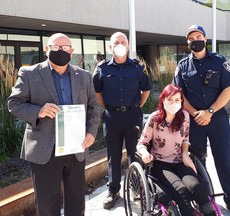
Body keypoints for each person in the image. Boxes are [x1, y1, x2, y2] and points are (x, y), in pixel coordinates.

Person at [8, 33, 100, 216]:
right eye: (55, 47)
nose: (60, 50)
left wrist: (91, 132)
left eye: (65, 47)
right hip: (44, 149)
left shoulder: (83, 76)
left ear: (72, 51)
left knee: (76, 201)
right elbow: (14, 103)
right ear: (46, 49)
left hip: (75, 147)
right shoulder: (29, 73)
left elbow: (93, 108)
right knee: (47, 204)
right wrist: (38, 111)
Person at [173, 24, 230, 216]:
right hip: (194, 122)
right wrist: (195, 114)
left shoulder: (219, 61)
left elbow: (228, 89)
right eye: (191, 38)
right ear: (187, 42)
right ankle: (204, 200)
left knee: (224, 159)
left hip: (217, 119)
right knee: (197, 162)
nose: (195, 40)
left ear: (205, 39)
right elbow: (178, 94)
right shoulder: (183, 66)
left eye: (198, 36)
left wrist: (209, 111)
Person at [93, 32, 152, 209]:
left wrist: (137, 106)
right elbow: (97, 93)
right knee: (114, 155)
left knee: (135, 151)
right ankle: (113, 190)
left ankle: (136, 187)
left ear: (127, 46)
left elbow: (146, 89)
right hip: (112, 117)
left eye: (123, 42)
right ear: (110, 47)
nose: (119, 45)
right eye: (116, 42)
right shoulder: (102, 68)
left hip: (133, 115)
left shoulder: (137, 67)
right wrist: (109, 108)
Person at [137, 84, 216, 216]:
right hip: (160, 163)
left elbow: (185, 139)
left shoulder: (184, 116)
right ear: (163, 100)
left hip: (179, 161)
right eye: (170, 100)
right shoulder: (155, 119)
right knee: (181, 190)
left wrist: (185, 153)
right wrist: (144, 153)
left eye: (177, 100)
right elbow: (141, 143)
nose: (174, 103)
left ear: (181, 102)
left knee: (196, 187)